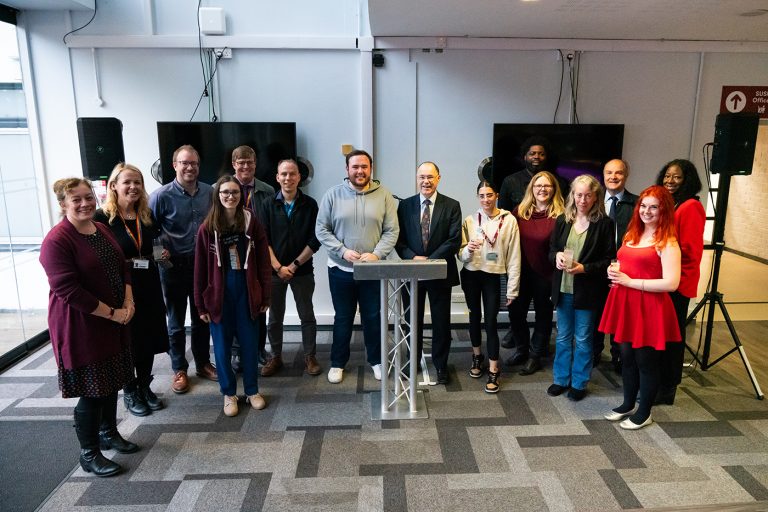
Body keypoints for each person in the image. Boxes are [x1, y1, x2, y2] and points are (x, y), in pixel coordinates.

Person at [40, 178, 138, 477]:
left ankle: (109, 433)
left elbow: (123, 266)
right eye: (76, 200)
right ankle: (89, 453)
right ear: (62, 205)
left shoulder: (100, 228)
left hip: (115, 317)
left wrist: (129, 303)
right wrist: (113, 313)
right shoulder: (57, 241)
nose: (85, 204)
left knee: (111, 380)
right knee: (93, 389)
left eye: (87, 197)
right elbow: (68, 290)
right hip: (82, 325)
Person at [600, 185, 682, 429]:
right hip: (626, 303)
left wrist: (630, 281)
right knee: (626, 358)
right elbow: (623, 262)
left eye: (653, 207)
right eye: (643, 205)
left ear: (663, 210)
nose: (647, 211)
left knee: (646, 361)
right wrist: (613, 270)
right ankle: (627, 404)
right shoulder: (632, 234)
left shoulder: (667, 241)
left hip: (650, 307)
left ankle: (644, 412)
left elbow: (672, 283)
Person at [315, 149, 399, 384]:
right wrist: (342, 250)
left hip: (373, 270)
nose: (360, 171)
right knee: (343, 317)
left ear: (370, 169)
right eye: (355, 167)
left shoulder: (384, 195)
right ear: (347, 170)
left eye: (364, 166)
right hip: (340, 269)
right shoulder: (332, 195)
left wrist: (376, 254)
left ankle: (377, 361)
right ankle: (338, 363)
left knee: (373, 317)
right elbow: (322, 229)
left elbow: (392, 230)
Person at [94, 163, 169, 417]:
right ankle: (129, 391)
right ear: (114, 185)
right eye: (127, 182)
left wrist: (162, 255)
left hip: (148, 283)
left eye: (137, 182)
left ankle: (144, 385)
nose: (133, 187)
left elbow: (155, 244)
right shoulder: (102, 219)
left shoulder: (146, 215)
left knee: (148, 337)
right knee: (129, 340)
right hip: (120, 288)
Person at [193, 175, 272, 416]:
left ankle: (251, 390)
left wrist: (265, 296)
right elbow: (199, 270)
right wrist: (200, 306)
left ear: (242, 195)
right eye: (225, 192)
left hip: (246, 291)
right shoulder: (207, 228)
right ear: (217, 196)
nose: (230, 196)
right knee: (222, 348)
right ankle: (229, 393)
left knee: (250, 345)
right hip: (219, 293)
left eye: (235, 192)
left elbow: (263, 263)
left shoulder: (251, 223)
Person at [149, 145, 218, 394]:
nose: (190, 168)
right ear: (175, 165)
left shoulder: (210, 192)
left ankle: (202, 364)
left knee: (202, 318)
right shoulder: (160, 196)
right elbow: (150, 231)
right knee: (176, 322)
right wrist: (161, 259)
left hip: (202, 267)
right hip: (172, 267)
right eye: (185, 163)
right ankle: (179, 368)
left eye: (194, 164)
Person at [548, 175, 615, 401]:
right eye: (578, 194)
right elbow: (551, 250)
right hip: (563, 289)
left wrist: (584, 268)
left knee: (584, 339)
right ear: (572, 195)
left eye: (588, 195)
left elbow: (608, 260)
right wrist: (556, 256)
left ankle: (579, 382)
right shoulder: (562, 220)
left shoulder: (604, 224)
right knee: (563, 337)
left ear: (596, 196)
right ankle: (560, 379)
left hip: (587, 291)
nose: (583, 200)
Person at [395, 161, 462, 385]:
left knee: (441, 322)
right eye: (422, 177)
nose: (426, 181)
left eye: (430, 177)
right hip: (412, 271)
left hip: (440, 272)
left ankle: (441, 366)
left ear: (438, 178)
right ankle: (411, 362)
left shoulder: (452, 205)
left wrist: (430, 260)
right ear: (417, 179)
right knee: (411, 320)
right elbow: (398, 239)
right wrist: (414, 258)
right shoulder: (405, 206)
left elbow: (454, 240)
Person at [259, 159, 322, 377]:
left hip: (302, 270)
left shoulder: (310, 204)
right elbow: (262, 239)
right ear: (277, 177)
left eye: (292, 174)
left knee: (307, 314)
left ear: (299, 177)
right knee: (275, 316)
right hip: (275, 272)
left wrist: (294, 265)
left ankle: (309, 356)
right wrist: (278, 267)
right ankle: (276, 357)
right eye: (283, 174)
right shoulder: (267, 204)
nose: (288, 178)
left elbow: (316, 239)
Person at [459, 181, 521, 393]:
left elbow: (514, 256)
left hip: (493, 276)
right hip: (471, 274)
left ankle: (494, 368)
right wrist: (468, 249)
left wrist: (513, 288)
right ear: (478, 197)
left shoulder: (509, 220)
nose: (485, 199)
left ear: (496, 196)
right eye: (481, 195)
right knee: (474, 317)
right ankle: (477, 357)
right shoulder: (469, 220)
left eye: (489, 195)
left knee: (491, 321)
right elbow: (460, 254)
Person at [654, 159, 705, 404]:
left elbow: (690, 251)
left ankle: (668, 388)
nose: (670, 181)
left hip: (677, 283)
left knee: (672, 337)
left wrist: (673, 280)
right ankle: (660, 381)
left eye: (676, 177)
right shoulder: (669, 204)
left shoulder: (691, 206)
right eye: (667, 176)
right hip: (664, 281)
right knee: (661, 335)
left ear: (687, 180)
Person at [505, 171, 564, 376]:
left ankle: (535, 355)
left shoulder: (561, 215)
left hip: (547, 275)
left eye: (547, 186)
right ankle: (522, 349)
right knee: (516, 313)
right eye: (538, 185)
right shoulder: (519, 212)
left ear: (554, 189)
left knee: (543, 316)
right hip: (521, 274)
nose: (542, 189)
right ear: (532, 188)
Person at [594, 159, 639, 373]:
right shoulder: (592, 201)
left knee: (620, 316)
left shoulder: (637, 203)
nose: (613, 177)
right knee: (596, 313)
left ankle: (618, 357)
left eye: (618, 173)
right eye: (609, 172)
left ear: (626, 175)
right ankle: (593, 353)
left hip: (624, 271)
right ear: (603, 175)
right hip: (596, 268)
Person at [231, 145, 273, 369]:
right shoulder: (224, 189)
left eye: (250, 162)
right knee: (236, 303)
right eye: (241, 162)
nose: (246, 166)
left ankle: (258, 349)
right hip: (232, 255)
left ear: (255, 164)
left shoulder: (267, 190)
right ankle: (237, 352)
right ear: (234, 165)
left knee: (259, 302)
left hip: (258, 255)